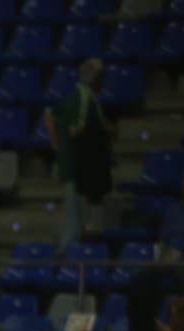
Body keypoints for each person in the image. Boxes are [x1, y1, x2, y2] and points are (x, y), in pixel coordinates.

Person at [45, 59, 109, 248]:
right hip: (78, 170)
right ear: (96, 79)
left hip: (80, 170)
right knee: (74, 225)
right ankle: (66, 267)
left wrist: (57, 144)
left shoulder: (80, 96)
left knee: (77, 222)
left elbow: (50, 114)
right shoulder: (84, 98)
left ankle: (67, 265)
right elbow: (76, 129)